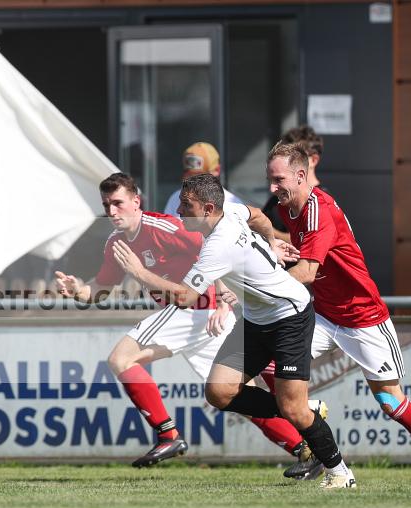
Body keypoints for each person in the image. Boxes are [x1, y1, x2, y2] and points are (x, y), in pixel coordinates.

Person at [112, 172, 357, 489]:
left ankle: (340, 473)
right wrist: (271, 244)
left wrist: (139, 272)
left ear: (208, 209)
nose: (180, 212)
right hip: (256, 319)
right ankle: (306, 410)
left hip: (290, 316)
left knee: (291, 407)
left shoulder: (217, 245)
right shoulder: (232, 214)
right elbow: (256, 214)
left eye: (187, 206)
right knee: (219, 392)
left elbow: (186, 297)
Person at [56, 173, 306, 469]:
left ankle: (168, 434)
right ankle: (305, 449)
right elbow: (100, 288)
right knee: (237, 396)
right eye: (106, 205)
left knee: (121, 359)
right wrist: (78, 291)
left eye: (118, 203)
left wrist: (223, 302)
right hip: (200, 319)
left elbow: (215, 250)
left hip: (196, 309)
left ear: (136, 202)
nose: (112, 212)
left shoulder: (163, 227)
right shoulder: (115, 243)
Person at [269, 141, 411, 484]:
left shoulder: (319, 209)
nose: (272, 187)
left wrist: (253, 286)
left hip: (364, 319)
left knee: (391, 402)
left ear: (301, 176)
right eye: (270, 179)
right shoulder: (289, 207)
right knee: (273, 363)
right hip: (325, 315)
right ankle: (314, 431)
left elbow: (307, 272)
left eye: (278, 179)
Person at [262, 125, 324, 243]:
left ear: (313, 160)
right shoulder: (279, 195)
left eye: (294, 157)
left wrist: (265, 228)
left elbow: (307, 243)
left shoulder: (320, 202)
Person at [162, 142, 242, 217]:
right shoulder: (176, 198)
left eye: (200, 177)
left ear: (217, 170)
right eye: (189, 175)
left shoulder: (233, 204)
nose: (193, 183)